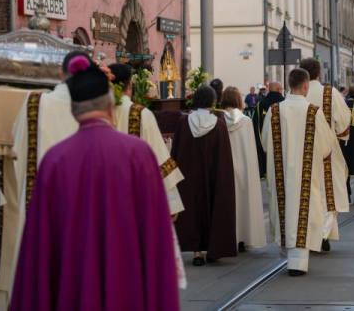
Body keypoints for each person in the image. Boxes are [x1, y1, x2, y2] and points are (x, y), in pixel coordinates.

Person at [10, 56, 180, 310]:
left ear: (73, 111)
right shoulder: (138, 154)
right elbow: (157, 235)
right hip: (127, 281)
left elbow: (39, 242)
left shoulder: (54, 160)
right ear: (112, 107)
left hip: (71, 280)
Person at [4, 51, 89, 299]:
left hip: (37, 209)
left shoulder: (34, 104)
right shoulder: (101, 109)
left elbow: (15, 154)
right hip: (85, 213)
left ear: (60, 73)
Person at [261, 68, 338, 277]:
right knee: (306, 210)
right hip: (307, 175)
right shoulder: (314, 112)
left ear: (288, 85)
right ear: (305, 86)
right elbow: (325, 148)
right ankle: (299, 262)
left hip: (281, 175)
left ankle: (290, 257)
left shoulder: (275, 111)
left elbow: (265, 143)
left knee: (284, 209)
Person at [172, 86, 237, 266]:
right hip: (214, 175)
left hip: (189, 176)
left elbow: (176, 153)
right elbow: (224, 158)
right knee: (213, 206)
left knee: (192, 210)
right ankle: (214, 248)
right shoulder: (219, 125)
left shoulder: (184, 123)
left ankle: (196, 252)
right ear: (213, 101)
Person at [109, 63, 184, 216]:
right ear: (130, 85)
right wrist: (171, 203)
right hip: (135, 197)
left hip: (103, 197)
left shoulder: (96, 113)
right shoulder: (141, 114)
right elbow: (159, 160)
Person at [299, 58, 350, 251]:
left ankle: (315, 233)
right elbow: (344, 122)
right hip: (327, 149)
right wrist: (338, 135)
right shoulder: (329, 92)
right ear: (319, 73)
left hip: (300, 150)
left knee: (308, 193)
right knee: (330, 193)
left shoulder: (294, 93)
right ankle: (321, 235)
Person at [221, 87, 267, 253]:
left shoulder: (218, 120)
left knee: (227, 202)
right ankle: (243, 238)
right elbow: (251, 148)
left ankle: (228, 236)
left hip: (225, 166)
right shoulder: (246, 121)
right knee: (243, 202)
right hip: (244, 166)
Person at [252, 82, 285, 180]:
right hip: (282, 137)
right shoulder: (284, 102)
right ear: (279, 90)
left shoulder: (261, 104)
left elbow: (256, 125)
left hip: (266, 139)